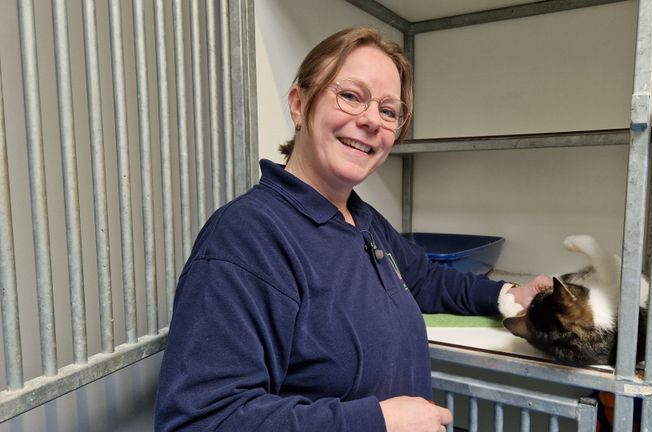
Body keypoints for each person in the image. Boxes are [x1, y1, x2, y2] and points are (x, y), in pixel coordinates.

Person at [155, 26, 551, 432]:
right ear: (298, 103)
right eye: (350, 96)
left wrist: (507, 295)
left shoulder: (363, 221)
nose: (370, 121)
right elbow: (200, 420)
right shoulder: (247, 236)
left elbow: (426, 278)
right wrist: (377, 421)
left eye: (388, 111)